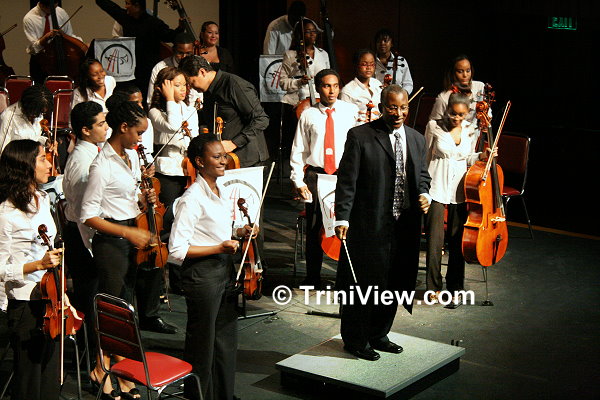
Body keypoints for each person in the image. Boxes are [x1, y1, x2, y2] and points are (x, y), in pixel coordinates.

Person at [334, 85, 431, 361]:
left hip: (404, 226)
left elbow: (422, 175)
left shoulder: (416, 139)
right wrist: (342, 216)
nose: (398, 113)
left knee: (394, 282)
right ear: (381, 107)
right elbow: (347, 181)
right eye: (392, 107)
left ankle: (379, 334)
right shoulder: (360, 136)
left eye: (403, 107)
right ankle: (355, 339)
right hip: (369, 225)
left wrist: (425, 193)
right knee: (364, 285)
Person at [80, 101, 169, 399]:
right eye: (138, 133)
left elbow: (125, 199)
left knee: (124, 308)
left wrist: (143, 200)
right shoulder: (101, 165)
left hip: (130, 237)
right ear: (123, 128)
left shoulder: (129, 157)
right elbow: (88, 215)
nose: (140, 139)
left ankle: (117, 366)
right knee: (110, 310)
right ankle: (99, 368)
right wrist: (128, 231)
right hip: (111, 243)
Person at [169, 134, 255, 400]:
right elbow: (177, 250)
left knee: (225, 340)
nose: (223, 161)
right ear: (199, 161)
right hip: (202, 274)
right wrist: (219, 248)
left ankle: (223, 395)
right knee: (202, 344)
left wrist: (240, 231)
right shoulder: (192, 198)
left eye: (224, 156)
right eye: (216, 157)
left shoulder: (222, 190)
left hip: (223, 270)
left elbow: (220, 231)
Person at [0, 139, 75, 400]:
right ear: (24, 166)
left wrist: (61, 292)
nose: (49, 164)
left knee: (50, 377)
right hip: (25, 304)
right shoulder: (6, 213)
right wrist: (38, 265)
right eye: (42, 159)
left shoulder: (42, 199)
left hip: (50, 297)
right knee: (29, 381)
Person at [290, 69, 358, 287]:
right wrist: (298, 180)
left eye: (336, 86)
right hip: (316, 175)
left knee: (345, 225)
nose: (332, 91)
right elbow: (299, 150)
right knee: (315, 227)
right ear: (318, 88)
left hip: (343, 176)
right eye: (327, 86)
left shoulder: (350, 111)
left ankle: (344, 278)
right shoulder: (308, 114)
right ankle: (313, 277)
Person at [424, 93, 492, 304]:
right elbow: (425, 156)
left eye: (461, 115)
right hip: (435, 188)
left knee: (457, 241)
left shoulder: (470, 130)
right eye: (453, 113)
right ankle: (433, 287)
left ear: (467, 114)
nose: (456, 118)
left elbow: (468, 158)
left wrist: (482, 156)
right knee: (434, 242)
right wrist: (422, 188)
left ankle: (455, 286)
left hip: (459, 190)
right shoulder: (433, 127)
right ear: (447, 110)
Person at [62, 101, 108, 327]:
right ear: (85, 130)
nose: (106, 127)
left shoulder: (93, 153)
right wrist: (93, 247)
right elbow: (84, 212)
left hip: (84, 234)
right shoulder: (83, 162)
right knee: (89, 301)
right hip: (82, 237)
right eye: (100, 124)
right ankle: (89, 347)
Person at [179, 55, 269, 168]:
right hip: (225, 160)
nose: (191, 87)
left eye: (192, 82)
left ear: (202, 72)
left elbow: (261, 119)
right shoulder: (207, 91)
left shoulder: (234, 85)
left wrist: (234, 143)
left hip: (248, 160)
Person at [95, 0, 184, 99]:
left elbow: (170, 36)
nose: (126, 6)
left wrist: (180, 28)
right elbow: (109, 7)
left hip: (148, 70)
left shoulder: (154, 23)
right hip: (130, 71)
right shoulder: (126, 18)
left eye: (128, 3)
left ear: (137, 5)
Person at [149, 66, 199, 208]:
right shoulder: (155, 112)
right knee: (170, 210)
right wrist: (170, 99)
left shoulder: (191, 110)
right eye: (177, 85)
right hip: (168, 170)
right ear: (163, 89)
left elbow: (194, 138)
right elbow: (173, 126)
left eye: (184, 84)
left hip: (190, 169)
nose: (183, 89)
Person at [23, 0, 83, 83]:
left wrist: (80, 44)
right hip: (40, 61)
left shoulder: (60, 12)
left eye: (55, 7)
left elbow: (69, 35)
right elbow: (33, 48)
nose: (55, 11)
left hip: (61, 56)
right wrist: (45, 37)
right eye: (52, 8)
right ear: (42, 6)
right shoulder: (29, 18)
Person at [146, 31, 200, 107]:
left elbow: (199, 96)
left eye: (188, 53)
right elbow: (151, 99)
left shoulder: (199, 64)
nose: (184, 57)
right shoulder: (160, 67)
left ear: (193, 50)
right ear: (173, 50)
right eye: (180, 53)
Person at [0, 85, 53, 154]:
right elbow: (2, 151)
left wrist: (45, 141)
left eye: (42, 112)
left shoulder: (38, 112)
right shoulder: (8, 116)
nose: (39, 116)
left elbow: (34, 138)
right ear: (27, 106)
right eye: (36, 113)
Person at [340, 48, 383, 124]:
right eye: (364, 64)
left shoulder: (377, 84)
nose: (369, 68)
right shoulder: (347, 90)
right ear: (356, 66)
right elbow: (345, 118)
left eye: (372, 64)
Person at [373, 29, 413, 94]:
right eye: (378, 41)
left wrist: (403, 94)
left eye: (385, 41)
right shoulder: (371, 61)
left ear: (391, 43)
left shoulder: (401, 61)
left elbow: (408, 83)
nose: (382, 43)